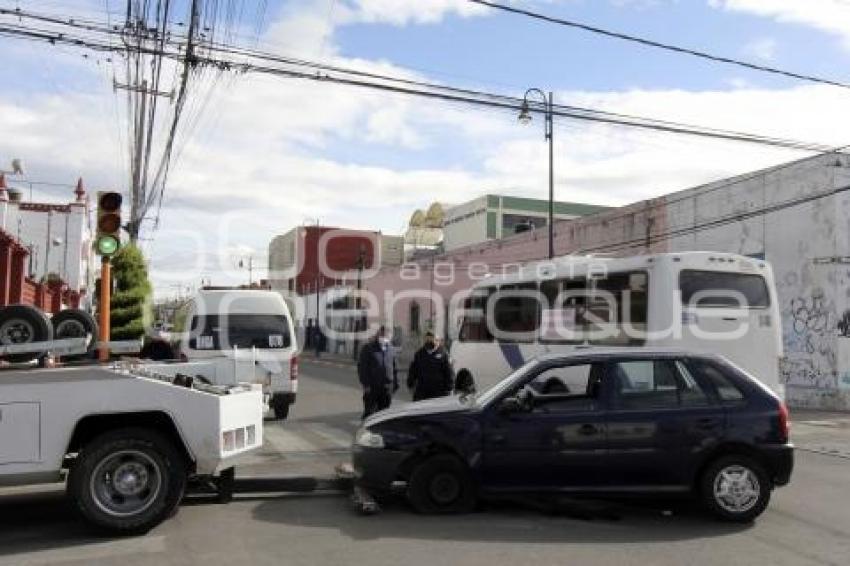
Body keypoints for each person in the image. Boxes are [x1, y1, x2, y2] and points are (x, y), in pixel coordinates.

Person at [357, 326, 399, 419]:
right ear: (378, 334)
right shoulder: (368, 348)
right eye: (382, 334)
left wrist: (395, 384)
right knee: (370, 413)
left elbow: (395, 368)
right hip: (372, 387)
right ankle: (365, 431)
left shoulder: (391, 349)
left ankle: (381, 432)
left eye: (386, 335)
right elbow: (362, 368)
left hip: (387, 388)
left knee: (384, 413)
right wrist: (366, 384)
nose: (384, 337)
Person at [407, 331, 454, 401]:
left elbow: (449, 372)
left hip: (439, 393)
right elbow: (413, 370)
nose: (429, 341)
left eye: (432, 339)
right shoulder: (419, 354)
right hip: (422, 392)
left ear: (438, 341)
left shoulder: (444, 354)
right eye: (427, 339)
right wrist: (410, 383)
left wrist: (449, 388)